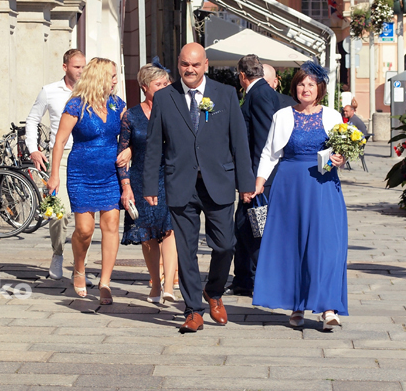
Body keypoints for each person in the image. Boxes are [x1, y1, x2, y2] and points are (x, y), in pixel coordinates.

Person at [143, 43, 254, 334]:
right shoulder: (165, 98)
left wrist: (246, 184)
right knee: (185, 249)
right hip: (180, 183)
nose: (189, 70)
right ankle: (193, 310)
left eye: (195, 65)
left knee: (226, 245)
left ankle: (213, 291)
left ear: (205, 64)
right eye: (184, 65)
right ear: (177, 65)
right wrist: (150, 185)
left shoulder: (225, 94)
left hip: (219, 182)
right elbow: (155, 144)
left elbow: (239, 143)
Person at [252, 62, 349, 331]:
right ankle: (296, 305)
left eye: (311, 84)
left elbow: (342, 152)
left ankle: (328, 307)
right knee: (292, 246)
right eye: (301, 84)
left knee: (327, 246)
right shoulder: (282, 116)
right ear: (294, 87)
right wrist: (259, 183)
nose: (306, 88)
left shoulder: (332, 116)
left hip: (323, 185)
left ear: (320, 88)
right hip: (289, 185)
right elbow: (270, 153)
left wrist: (340, 159)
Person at [47, 58, 125, 305]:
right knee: (84, 229)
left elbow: (132, 132)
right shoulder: (76, 105)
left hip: (111, 173)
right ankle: (79, 268)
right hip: (81, 172)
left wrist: (130, 151)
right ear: (100, 77)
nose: (116, 80)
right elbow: (59, 141)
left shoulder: (116, 104)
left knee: (112, 224)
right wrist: (54, 174)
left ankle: (105, 282)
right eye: (112, 76)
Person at [117, 62, 178, 304]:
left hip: (170, 177)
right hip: (141, 178)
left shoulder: (176, 109)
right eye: (159, 84)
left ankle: (170, 283)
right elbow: (121, 154)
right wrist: (126, 186)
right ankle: (155, 282)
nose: (164, 88)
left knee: (170, 228)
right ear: (145, 87)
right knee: (148, 233)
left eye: (166, 83)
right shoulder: (130, 115)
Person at [25, 49, 86, 280]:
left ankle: (80, 266)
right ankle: (57, 253)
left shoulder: (89, 91)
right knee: (59, 212)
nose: (81, 71)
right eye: (76, 67)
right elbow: (32, 119)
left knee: (83, 216)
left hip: (84, 156)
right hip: (59, 158)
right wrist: (33, 149)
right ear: (65, 67)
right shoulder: (49, 91)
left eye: (83, 67)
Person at [227, 55, 282, 297]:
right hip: (259, 177)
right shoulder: (262, 92)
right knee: (247, 229)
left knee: (252, 229)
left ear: (241, 75)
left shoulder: (259, 95)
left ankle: (268, 281)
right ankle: (244, 281)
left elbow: (263, 142)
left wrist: (255, 182)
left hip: (261, 179)